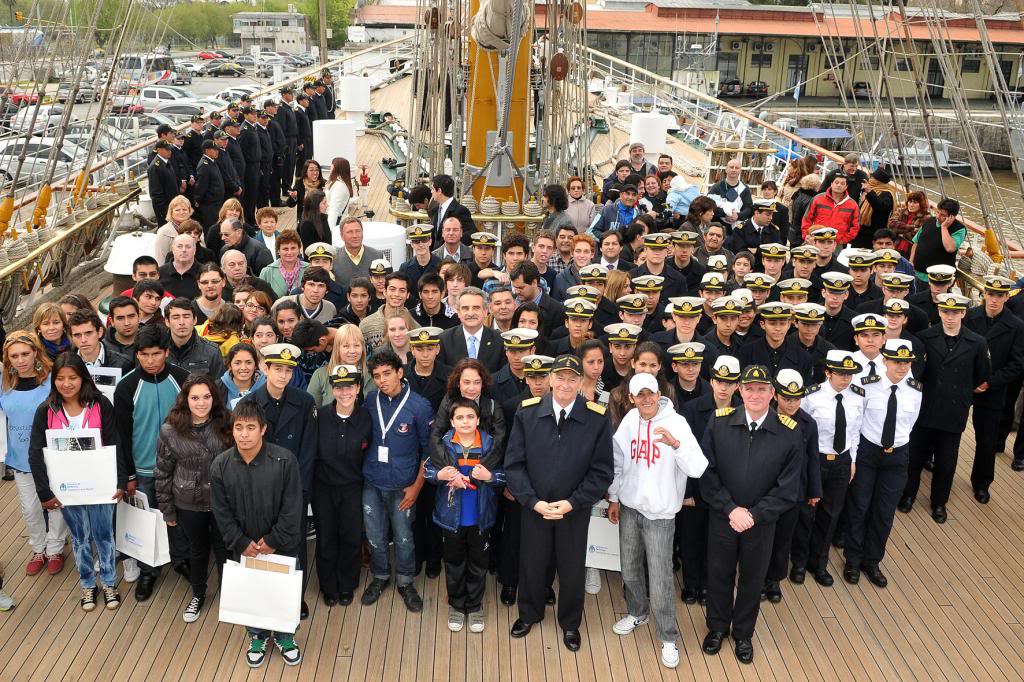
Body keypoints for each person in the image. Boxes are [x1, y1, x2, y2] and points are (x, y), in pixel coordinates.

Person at [505, 354, 614, 652]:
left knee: (571, 568)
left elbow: (602, 471)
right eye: (560, 377)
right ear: (550, 379)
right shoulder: (526, 413)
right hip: (535, 508)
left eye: (572, 378)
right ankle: (529, 614)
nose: (565, 384)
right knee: (532, 563)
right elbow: (514, 464)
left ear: (580, 382)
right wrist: (533, 501)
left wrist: (572, 502)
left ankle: (570, 623)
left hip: (573, 510)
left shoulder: (596, 417)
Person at [699, 364, 802, 665]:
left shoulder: (788, 433)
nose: (755, 394)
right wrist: (731, 509)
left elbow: (787, 488)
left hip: (760, 522)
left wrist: (754, 515)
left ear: (772, 393)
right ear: (739, 391)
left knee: (753, 579)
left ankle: (743, 633)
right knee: (718, 573)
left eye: (761, 389)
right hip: (724, 515)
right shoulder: (718, 423)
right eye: (749, 388)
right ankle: (717, 627)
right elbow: (707, 474)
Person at [607, 373, 707, 669]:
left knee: (661, 577)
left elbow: (698, 467)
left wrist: (676, 445)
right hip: (630, 507)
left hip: (661, 514)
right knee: (629, 565)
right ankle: (637, 612)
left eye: (651, 393)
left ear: (659, 394)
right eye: (641, 395)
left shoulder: (676, 422)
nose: (647, 399)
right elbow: (617, 461)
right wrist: (614, 497)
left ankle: (668, 637)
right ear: (632, 398)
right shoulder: (629, 421)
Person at [28, 353, 127, 611]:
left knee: (104, 535)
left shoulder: (100, 404)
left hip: (100, 485)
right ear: (54, 381)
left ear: (83, 378)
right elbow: (35, 452)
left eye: (73, 377)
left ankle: (108, 581)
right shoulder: (45, 411)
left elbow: (116, 442)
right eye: (60, 378)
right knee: (80, 537)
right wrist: (44, 491)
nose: (67, 383)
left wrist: (120, 479)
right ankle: (87, 584)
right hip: (67, 490)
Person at [210, 399, 304, 667]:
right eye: (238, 427)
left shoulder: (285, 461)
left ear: (263, 429)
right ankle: (257, 635)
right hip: (245, 547)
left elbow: (293, 507)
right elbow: (221, 511)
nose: (244, 434)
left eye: (251, 427)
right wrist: (240, 542)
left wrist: (274, 540)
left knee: (283, 593)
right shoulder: (220, 465)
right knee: (253, 594)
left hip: (281, 546)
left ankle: (286, 635)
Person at [113, 324, 191, 600]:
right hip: (143, 470)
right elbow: (121, 435)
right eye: (144, 354)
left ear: (167, 352)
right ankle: (149, 571)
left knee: (180, 517)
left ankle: (182, 560)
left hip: (181, 467)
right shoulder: (126, 387)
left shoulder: (184, 380)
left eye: (156, 354)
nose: (150, 360)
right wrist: (129, 475)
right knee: (146, 522)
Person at [243, 342, 318, 617]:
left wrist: (301, 491)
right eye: (278, 369)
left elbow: (309, 451)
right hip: (260, 489)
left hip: (292, 489)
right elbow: (244, 448)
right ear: (265, 368)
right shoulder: (249, 404)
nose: (283, 375)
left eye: (288, 370)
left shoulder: (304, 401)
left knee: (294, 545)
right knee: (261, 543)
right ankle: (265, 598)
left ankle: (294, 598)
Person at [900, 293, 989, 524]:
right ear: (939, 312)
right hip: (926, 408)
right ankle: (908, 494)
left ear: (963, 313)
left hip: (953, 411)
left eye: (955, 312)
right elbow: (916, 373)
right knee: (915, 457)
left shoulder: (977, 342)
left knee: (946, 461)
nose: (950, 317)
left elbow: (980, 375)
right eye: (945, 312)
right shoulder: (924, 338)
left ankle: (939, 502)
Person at [843, 338, 922, 588]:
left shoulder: (916, 389)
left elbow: (910, 424)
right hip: (868, 451)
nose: (902, 366)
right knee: (860, 506)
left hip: (897, 455)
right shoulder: (867, 386)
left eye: (907, 361)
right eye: (897, 361)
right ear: (884, 360)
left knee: (884, 512)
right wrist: (854, 458)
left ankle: (872, 560)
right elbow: (856, 422)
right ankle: (853, 560)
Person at [155, 374, 232, 623]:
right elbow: (163, 472)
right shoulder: (170, 430)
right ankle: (198, 594)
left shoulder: (226, 423)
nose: (201, 403)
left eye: (207, 397)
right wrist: (167, 510)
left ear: (214, 398)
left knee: (225, 549)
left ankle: (230, 595)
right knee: (197, 551)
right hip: (188, 503)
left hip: (222, 502)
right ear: (185, 399)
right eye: (195, 397)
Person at [360, 348, 433, 612]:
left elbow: (429, 451)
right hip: (372, 481)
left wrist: (416, 487)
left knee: (403, 537)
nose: (382, 380)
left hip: (404, 486)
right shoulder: (370, 400)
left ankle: (405, 581)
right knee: (376, 537)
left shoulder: (420, 406)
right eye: (377, 376)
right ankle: (380, 576)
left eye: (387, 373)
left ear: (400, 372)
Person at [425, 397, 505, 633]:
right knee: (454, 562)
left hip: (481, 517)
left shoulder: (491, 445)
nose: (465, 421)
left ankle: (475, 604)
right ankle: (457, 605)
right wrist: (440, 476)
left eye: (470, 416)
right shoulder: (443, 444)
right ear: (451, 421)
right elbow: (428, 470)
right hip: (451, 519)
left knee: (478, 564)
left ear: (479, 419)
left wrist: (489, 478)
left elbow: (505, 477)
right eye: (459, 417)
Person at [791, 350, 863, 587]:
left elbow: (854, 431)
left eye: (850, 374)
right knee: (806, 514)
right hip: (816, 460)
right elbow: (803, 433)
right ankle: (799, 562)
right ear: (828, 372)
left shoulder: (857, 397)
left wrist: (852, 460)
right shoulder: (812, 397)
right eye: (841, 373)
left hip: (841, 461)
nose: (846, 378)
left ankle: (818, 563)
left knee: (831, 515)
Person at [313, 364, 371, 606]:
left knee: (350, 537)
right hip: (323, 487)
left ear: (358, 388)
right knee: (325, 537)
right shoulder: (320, 416)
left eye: (350, 387)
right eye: (339, 387)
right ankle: (328, 585)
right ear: (333, 389)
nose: (344, 392)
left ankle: (347, 584)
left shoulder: (366, 418)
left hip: (352, 487)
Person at [966, 275, 1024, 501]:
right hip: (965, 385)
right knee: (946, 433)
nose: (994, 299)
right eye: (991, 294)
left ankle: (981, 483)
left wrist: (990, 382)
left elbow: (1017, 364)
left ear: (1007, 296)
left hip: (993, 388)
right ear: (984, 294)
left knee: (987, 440)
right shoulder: (970, 317)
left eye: (1000, 295)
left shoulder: (1017, 326)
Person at [438, 287, 506, 373]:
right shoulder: (444, 339)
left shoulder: (499, 340)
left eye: (476, 308)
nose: (470, 313)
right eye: (465, 308)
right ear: (458, 312)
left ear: (485, 311)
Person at [909, 198, 967, 283]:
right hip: (917, 274)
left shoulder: (959, 229)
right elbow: (916, 242)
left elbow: (950, 248)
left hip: (938, 280)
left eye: (942, 215)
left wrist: (944, 227)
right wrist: (911, 261)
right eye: (937, 212)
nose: (938, 216)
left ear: (952, 217)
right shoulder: (929, 221)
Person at [165, 298, 226, 378]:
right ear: (167, 322)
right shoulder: (157, 350)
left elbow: (218, 387)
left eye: (186, 317)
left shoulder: (212, 351)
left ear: (195, 320)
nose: (182, 322)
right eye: (176, 317)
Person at [800, 174, 859, 245]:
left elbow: (855, 227)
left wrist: (843, 240)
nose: (839, 185)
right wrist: (806, 235)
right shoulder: (818, 199)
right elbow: (807, 219)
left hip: (837, 243)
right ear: (831, 184)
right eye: (836, 182)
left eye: (842, 183)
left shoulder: (853, 205)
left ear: (846, 187)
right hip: (816, 240)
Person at [428, 174, 475, 246]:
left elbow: (471, 233)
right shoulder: (435, 210)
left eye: (433, 189)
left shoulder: (460, 210)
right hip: (436, 255)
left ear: (439, 191)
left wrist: (453, 246)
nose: (431, 191)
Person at [259, 228, 307, 298]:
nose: (289, 252)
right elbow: (262, 299)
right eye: (285, 249)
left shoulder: (309, 269)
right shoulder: (267, 272)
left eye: (293, 248)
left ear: (299, 249)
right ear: (278, 251)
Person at [333, 217, 384, 283]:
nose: (355, 235)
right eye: (350, 232)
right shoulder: (334, 258)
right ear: (342, 236)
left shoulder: (377, 256)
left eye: (358, 231)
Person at [706, 158, 753, 228]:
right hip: (718, 226)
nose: (734, 170)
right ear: (726, 169)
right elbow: (708, 205)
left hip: (738, 228)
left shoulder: (744, 189)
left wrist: (738, 216)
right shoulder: (717, 187)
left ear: (740, 171)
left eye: (737, 168)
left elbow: (749, 208)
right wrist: (725, 214)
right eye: (731, 167)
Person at [216, 343, 266, 409]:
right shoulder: (217, 387)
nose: (243, 368)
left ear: (255, 365)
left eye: (248, 362)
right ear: (230, 366)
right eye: (237, 363)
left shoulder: (266, 386)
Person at [159, 233, 202, 300]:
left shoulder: (204, 272)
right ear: (173, 250)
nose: (184, 250)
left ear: (194, 250)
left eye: (188, 246)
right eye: (179, 246)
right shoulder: (160, 273)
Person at [155, 195, 196, 264]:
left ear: (189, 211)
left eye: (184, 209)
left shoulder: (196, 227)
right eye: (177, 210)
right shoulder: (163, 232)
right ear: (171, 212)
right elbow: (160, 258)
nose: (181, 212)